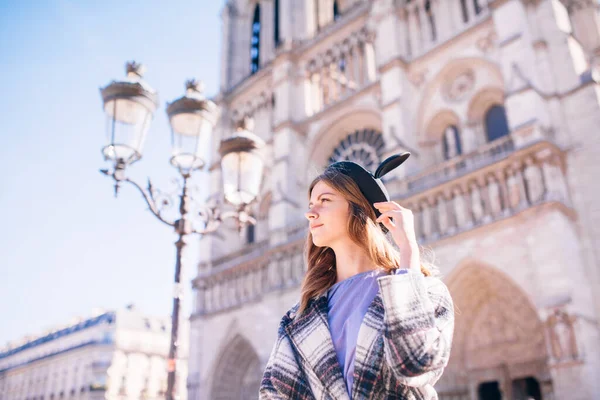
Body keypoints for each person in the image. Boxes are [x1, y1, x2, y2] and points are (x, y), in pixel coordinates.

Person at [259, 153, 455, 399]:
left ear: (358, 207)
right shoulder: (299, 317)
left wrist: (408, 253)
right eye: (310, 205)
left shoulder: (425, 290)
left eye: (324, 200)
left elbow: (415, 365)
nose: (311, 213)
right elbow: (275, 394)